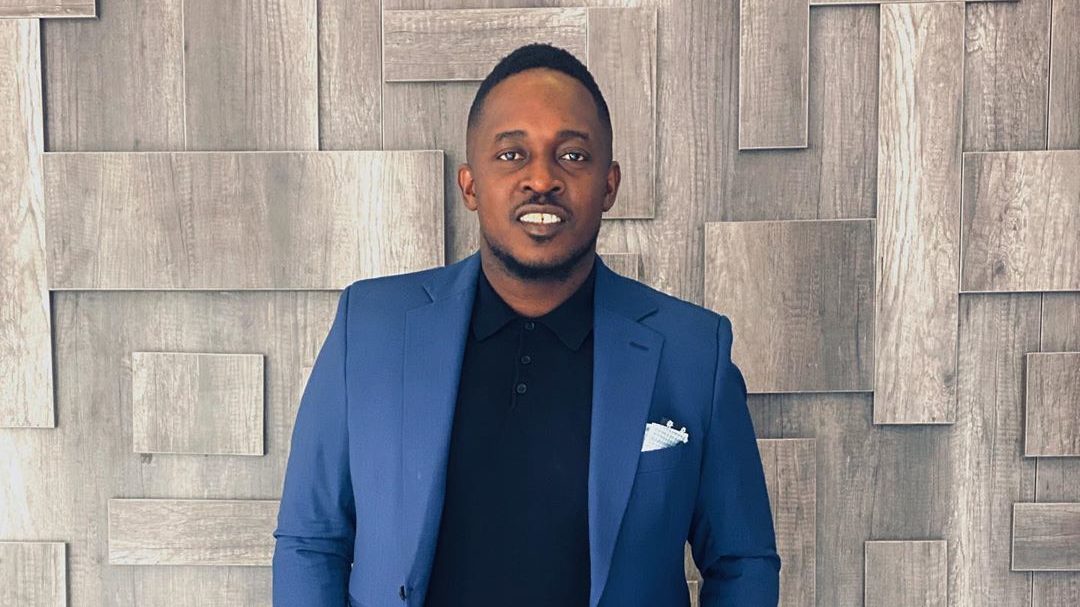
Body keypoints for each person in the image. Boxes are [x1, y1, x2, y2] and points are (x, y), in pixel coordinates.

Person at [272, 43, 780, 607]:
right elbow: (311, 542)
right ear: (470, 185)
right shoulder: (369, 328)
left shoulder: (693, 352)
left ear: (609, 185)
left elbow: (742, 562)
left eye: (573, 155)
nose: (542, 179)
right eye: (512, 154)